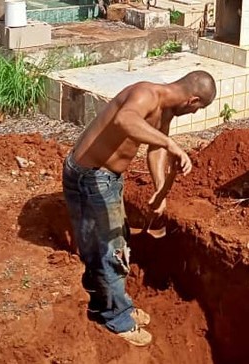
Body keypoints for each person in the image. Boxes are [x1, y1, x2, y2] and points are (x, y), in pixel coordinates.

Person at [61, 71, 217, 346]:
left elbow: (155, 148)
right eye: (198, 109)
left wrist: (160, 187)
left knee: (117, 239)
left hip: (108, 178)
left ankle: (107, 302)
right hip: (90, 176)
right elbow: (125, 120)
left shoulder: (165, 111)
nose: (194, 114)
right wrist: (171, 144)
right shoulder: (145, 94)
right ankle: (116, 317)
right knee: (109, 250)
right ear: (192, 100)